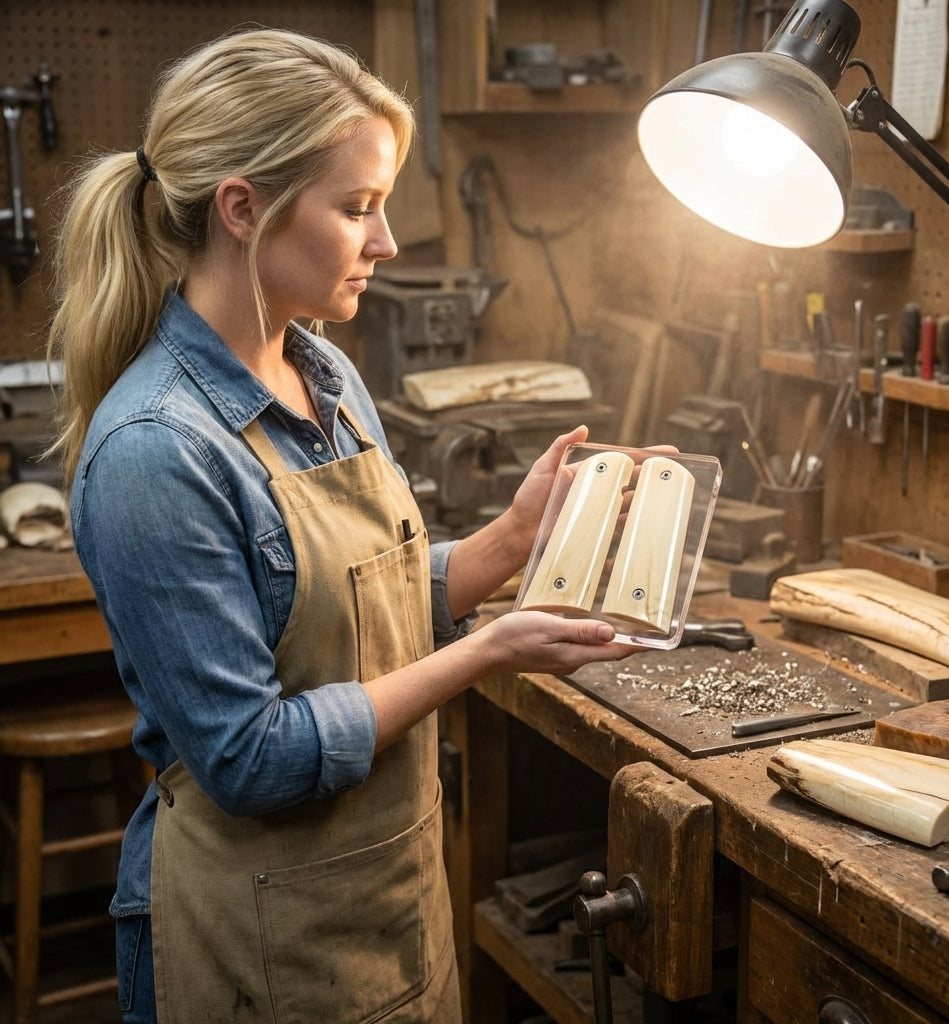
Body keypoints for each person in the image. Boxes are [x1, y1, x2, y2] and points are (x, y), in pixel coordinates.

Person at [45, 26, 637, 1024]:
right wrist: (484, 653)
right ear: (243, 208)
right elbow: (250, 757)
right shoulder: (157, 449)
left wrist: (509, 541)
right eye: (358, 206)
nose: (388, 241)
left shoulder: (324, 371)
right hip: (251, 936)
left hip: (386, 908)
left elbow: (359, 602)